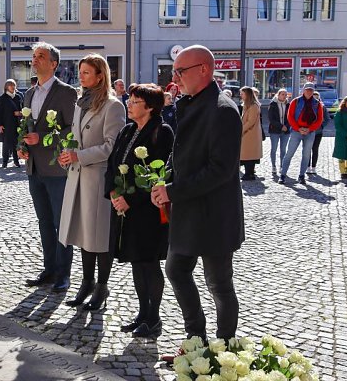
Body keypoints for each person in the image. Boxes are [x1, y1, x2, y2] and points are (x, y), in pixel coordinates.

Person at [150, 45, 244, 352]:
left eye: (180, 71)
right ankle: (196, 340)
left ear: (204, 69)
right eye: (174, 71)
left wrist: (172, 191)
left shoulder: (222, 109)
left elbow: (220, 170)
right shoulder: (191, 103)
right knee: (176, 270)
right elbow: (180, 153)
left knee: (219, 284)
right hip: (189, 210)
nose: (175, 78)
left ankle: (225, 349)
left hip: (215, 215)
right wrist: (164, 179)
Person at [57, 54, 126, 311]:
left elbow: (112, 146)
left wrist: (80, 156)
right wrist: (68, 154)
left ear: (100, 76)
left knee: (99, 237)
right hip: (78, 176)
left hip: (98, 179)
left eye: (87, 72)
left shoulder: (113, 106)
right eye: (81, 72)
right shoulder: (80, 102)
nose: (81, 76)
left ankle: (102, 286)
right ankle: (87, 282)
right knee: (84, 234)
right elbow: (76, 139)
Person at [106, 84, 173, 337]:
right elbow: (112, 164)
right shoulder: (127, 130)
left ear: (150, 107)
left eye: (135, 101)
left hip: (148, 210)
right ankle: (142, 313)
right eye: (130, 100)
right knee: (136, 262)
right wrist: (113, 193)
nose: (129, 104)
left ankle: (154, 318)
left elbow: (160, 174)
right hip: (125, 210)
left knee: (149, 263)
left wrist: (131, 200)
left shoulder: (161, 132)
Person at [18, 42, 77, 292]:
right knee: (44, 221)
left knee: (61, 222)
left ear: (54, 64)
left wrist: (42, 138)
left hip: (56, 169)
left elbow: (72, 129)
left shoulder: (66, 92)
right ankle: (49, 269)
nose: (35, 59)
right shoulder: (29, 93)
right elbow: (26, 127)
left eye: (41, 56)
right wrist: (22, 146)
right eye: (34, 56)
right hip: (34, 168)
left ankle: (63, 274)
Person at [279, 83, 323, 184]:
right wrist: (298, 128)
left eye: (311, 90)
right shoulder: (296, 101)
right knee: (289, 153)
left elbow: (320, 119)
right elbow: (290, 116)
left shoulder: (317, 103)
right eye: (307, 90)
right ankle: (283, 175)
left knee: (306, 155)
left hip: (310, 132)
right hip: (296, 131)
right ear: (303, 90)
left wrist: (310, 129)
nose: (309, 92)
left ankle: (302, 176)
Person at [0, 79, 23, 168]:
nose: (12, 87)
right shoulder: (2, 98)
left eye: (14, 85)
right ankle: (5, 161)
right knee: (6, 144)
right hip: (6, 124)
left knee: (16, 143)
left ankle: (16, 161)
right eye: (10, 85)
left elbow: (22, 109)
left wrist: (20, 113)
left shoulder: (18, 97)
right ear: (6, 87)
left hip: (16, 124)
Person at [239, 87, 262, 181]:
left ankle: (249, 174)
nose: (240, 95)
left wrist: (241, 130)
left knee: (249, 155)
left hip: (250, 134)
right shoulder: (247, 105)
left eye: (242, 94)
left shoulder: (253, 106)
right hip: (248, 134)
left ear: (247, 95)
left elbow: (250, 121)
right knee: (247, 154)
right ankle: (249, 173)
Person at [306, 92, 330, 175]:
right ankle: (307, 167)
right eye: (314, 98)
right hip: (308, 132)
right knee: (307, 149)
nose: (315, 99)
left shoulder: (322, 107)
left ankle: (314, 167)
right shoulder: (307, 106)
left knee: (315, 149)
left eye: (317, 98)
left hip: (318, 132)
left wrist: (322, 126)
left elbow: (327, 119)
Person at [267, 89, 290, 176]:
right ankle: (273, 166)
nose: (284, 96)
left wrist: (286, 126)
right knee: (274, 149)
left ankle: (282, 166)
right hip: (275, 130)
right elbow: (271, 119)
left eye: (285, 95)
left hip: (286, 131)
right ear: (278, 95)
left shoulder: (288, 104)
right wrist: (281, 126)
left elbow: (291, 117)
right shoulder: (273, 104)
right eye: (282, 94)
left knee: (283, 150)